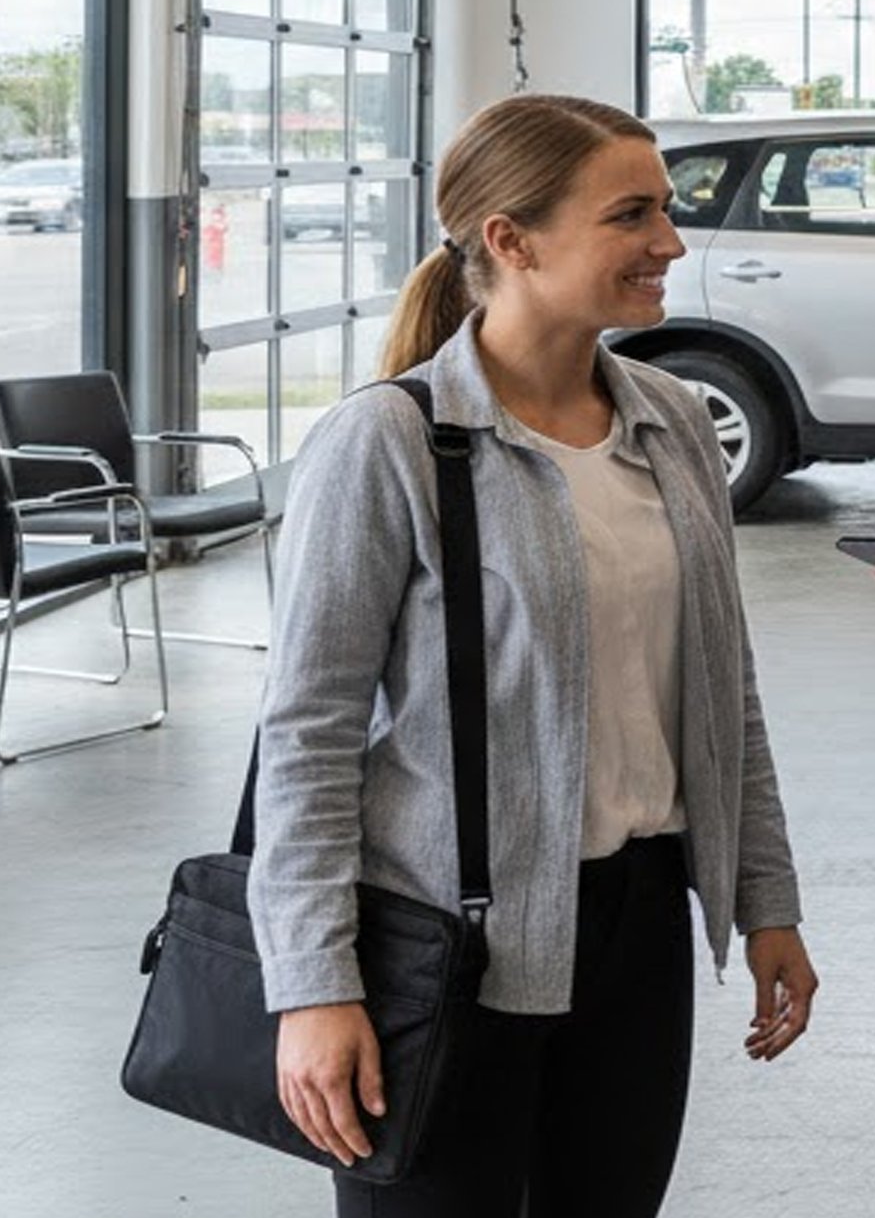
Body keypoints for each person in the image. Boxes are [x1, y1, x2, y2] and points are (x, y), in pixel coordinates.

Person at [248, 94, 818, 1215]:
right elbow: (307, 733)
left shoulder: (673, 423)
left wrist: (767, 900)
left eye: (665, 211)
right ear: (511, 241)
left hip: (640, 929)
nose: (670, 242)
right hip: (441, 947)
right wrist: (313, 984)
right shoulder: (391, 441)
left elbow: (721, 688)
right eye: (632, 215)